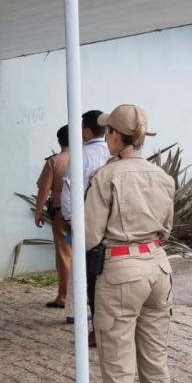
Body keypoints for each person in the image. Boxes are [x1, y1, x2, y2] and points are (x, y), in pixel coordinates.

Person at [85, 104, 176, 383]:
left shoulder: (105, 176)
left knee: (119, 372)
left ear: (116, 137)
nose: (106, 138)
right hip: (158, 265)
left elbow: (90, 236)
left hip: (121, 271)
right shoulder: (162, 176)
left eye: (108, 132)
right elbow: (167, 228)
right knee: (155, 365)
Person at [61, 110, 109, 327]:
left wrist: (70, 219)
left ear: (87, 131)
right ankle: (101, 309)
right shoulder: (114, 153)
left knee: (79, 263)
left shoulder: (80, 155)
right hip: (109, 219)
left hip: (85, 218)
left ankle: (75, 310)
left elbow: (69, 189)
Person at [34, 125, 72, 309]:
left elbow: (43, 190)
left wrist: (38, 211)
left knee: (64, 256)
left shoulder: (54, 162)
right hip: (88, 213)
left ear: (59, 141)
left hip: (62, 214)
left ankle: (64, 296)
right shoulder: (86, 158)